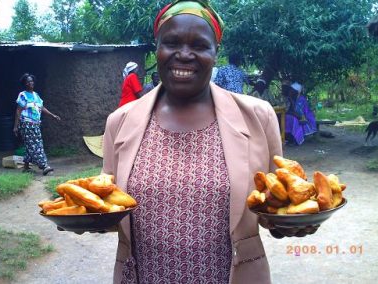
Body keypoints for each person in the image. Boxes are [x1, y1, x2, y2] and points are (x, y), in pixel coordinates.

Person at [102, 1, 319, 283]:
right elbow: (105, 205)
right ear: (157, 49)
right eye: (171, 42)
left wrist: (290, 224)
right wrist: (86, 219)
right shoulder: (120, 122)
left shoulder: (256, 117)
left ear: (216, 53)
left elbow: (274, 207)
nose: (184, 54)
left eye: (200, 45)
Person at [13, 73, 60, 175]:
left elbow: (41, 108)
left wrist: (52, 115)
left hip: (36, 124)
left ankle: (26, 167)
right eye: (28, 81)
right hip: (26, 124)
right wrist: (16, 126)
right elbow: (18, 110)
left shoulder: (36, 95)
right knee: (36, 144)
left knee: (30, 144)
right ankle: (44, 166)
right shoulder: (23, 95)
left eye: (32, 81)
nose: (31, 83)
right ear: (24, 84)